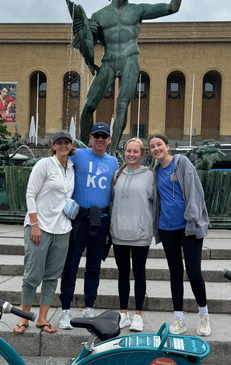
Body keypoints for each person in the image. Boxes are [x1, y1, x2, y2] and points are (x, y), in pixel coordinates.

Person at [67, 0, 203, 150]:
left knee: (122, 105)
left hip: (130, 58)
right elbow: (88, 44)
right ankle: (83, 149)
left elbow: (172, 7)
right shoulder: (99, 15)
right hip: (109, 60)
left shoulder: (137, 10)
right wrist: (84, 30)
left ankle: (114, 151)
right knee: (89, 106)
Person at [13, 130, 76, 335]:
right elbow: (30, 193)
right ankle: (24, 318)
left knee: (51, 276)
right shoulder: (44, 164)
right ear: (54, 145)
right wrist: (34, 224)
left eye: (67, 142)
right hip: (40, 227)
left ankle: (42, 318)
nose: (64, 145)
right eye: (60, 142)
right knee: (32, 274)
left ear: (71, 145)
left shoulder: (72, 167)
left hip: (63, 228)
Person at [58, 122, 120, 329]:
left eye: (104, 136)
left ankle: (89, 306)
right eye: (97, 136)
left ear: (109, 140)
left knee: (94, 266)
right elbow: (59, 167)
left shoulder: (113, 162)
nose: (100, 139)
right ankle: (65, 309)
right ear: (91, 137)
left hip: (100, 219)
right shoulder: (79, 156)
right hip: (78, 218)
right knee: (70, 265)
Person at [149, 133, 211, 336]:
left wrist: (192, 223)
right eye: (152, 146)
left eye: (159, 144)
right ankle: (179, 319)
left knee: (194, 272)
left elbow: (195, 193)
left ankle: (203, 316)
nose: (156, 148)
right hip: (167, 228)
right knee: (175, 273)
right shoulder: (156, 170)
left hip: (188, 228)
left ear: (167, 146)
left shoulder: (182, 162)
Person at [110, 138, 153, 332]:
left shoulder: (150, 176)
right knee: (122, 274)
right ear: (124, 152)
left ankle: (138, 315)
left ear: (142, 155)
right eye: (128, 151)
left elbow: (156, 203)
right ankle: (123, 313)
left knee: (139, 273)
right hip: (119, 233)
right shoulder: (116, 175)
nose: (131, 154)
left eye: (136, 151)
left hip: (140, 233)